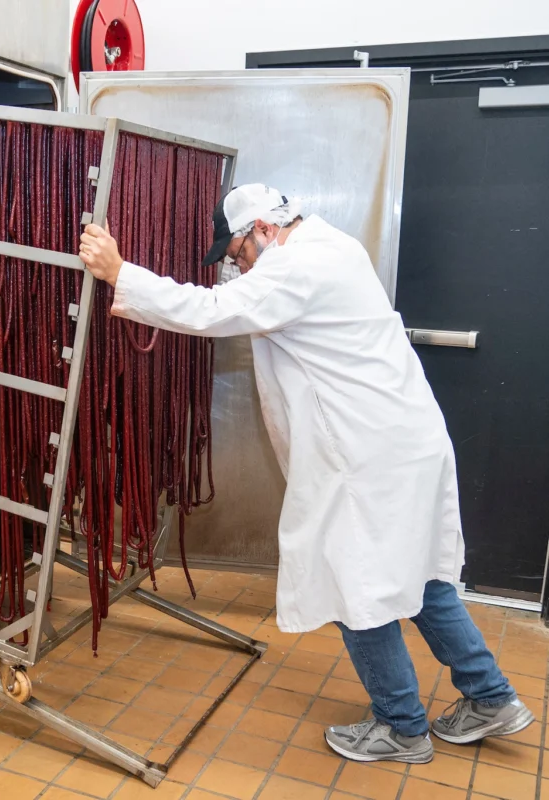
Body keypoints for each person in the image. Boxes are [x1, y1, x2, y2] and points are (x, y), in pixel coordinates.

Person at [77, 184, 534, 764]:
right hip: (404, 442)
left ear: (264, 229)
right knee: (418, 576)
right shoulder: (334, 247)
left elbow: (212, 311)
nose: (235, 266)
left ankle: (400, 726)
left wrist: (120, 272)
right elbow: (244, 301)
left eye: (236, 253)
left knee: (351, 582)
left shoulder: (296, 268)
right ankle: (491, 697)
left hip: (363, 458)